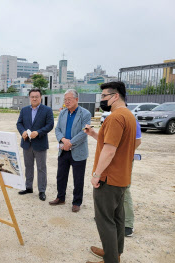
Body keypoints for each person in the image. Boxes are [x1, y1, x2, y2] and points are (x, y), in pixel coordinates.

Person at [84, 82, 136, 263]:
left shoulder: (115, 117)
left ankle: (111, 259)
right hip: (122, 176)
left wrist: (97, 174)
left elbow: (110, 150)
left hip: (109, 178)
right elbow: (115, 143)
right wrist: (94, 135)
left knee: (105, 220)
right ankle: (114, 252)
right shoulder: (128, 115)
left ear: (115, 96)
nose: (102, 100)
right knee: (118, 217)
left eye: (104, 96)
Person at [49, 89, 91, 212]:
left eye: (69, 99)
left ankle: (77, 202)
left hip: (78, 151)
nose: (66, 102)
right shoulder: (63, 113)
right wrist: (63, 140)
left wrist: (70, 142)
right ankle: (60, 197)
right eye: (65, 100)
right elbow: (57, 130)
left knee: (78, 178)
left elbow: (84, 132)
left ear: (76, 100)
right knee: (61, 176)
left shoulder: (85, 114)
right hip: (63, 150)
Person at [16, 88, 54, 201]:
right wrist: (22, 131)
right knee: (28, 166)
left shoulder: (47, 110)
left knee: (41, 168)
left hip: (40, 143)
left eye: (36, 96)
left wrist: (38, 132)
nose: (34, 98)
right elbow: (19, 123)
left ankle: (42, 191)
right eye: (32, 96)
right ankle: (28, 187)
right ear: (29, 97)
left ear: (40, 97)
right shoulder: (24, 110)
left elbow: (50, 125)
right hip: (27, 143)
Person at [124, 120, 142, 237]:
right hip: (110, 160)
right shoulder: (110, 118)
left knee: (124, 189)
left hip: (124, 160)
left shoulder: (131, 120)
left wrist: (124, 154)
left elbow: (138, 141)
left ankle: (128, 224)